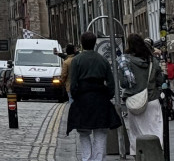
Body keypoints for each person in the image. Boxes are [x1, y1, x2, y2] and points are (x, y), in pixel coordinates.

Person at [66, 31, 122, 161]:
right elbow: (111, 82)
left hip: (83, 98)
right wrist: (107, 96)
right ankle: (98, 159)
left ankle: (86, 158)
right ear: (95, 42)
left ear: (82, 43)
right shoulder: (102, 60)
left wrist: (76, 97)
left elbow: (73, 83)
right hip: (100, 98)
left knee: (84, 132)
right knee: (100, 133)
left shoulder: (77, 60)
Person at [119, 34, 163, 155]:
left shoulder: (125, 61)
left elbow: (123, 83)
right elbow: (160, 80)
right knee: (155, 131)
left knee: (136, 133)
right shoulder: (153, 60)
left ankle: (139, 156)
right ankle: (156, 155)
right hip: (153, 99)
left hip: (135, 101)